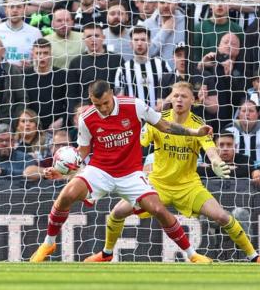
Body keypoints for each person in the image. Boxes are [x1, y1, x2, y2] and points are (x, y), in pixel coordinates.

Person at [30, 79, 213, 263]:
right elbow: (82, 151)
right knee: (67, 194)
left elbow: (165, 125)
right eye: (97, 104)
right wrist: (62, 171)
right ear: (90, 99)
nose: (102, 108)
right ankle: (49, 243)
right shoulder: (87, 117)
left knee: (158, 209)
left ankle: (192, 254)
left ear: (112, 94)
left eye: (105, 103)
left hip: (131, 173)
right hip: (100, 170)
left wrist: (195, 133)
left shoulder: (134, 105)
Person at [86, 82, 260, 263]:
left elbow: (211, 150)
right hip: (157, 184)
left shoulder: (199, 125)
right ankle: (107, 253)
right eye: (176, 96)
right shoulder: (157, 120)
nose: (179, 99)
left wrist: (216, 162)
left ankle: (254, 256)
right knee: (117, 212)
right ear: (171, 99)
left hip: (188, 186)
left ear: (193, 101)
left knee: (222, 216)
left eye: (184, 96)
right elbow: (137, 144)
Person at [224, 99, 260, 167]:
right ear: (238, 114)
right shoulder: (229, 130)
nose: (247, 114)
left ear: (258, 114)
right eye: (244, 111)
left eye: (251, 111)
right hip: (235, 171)